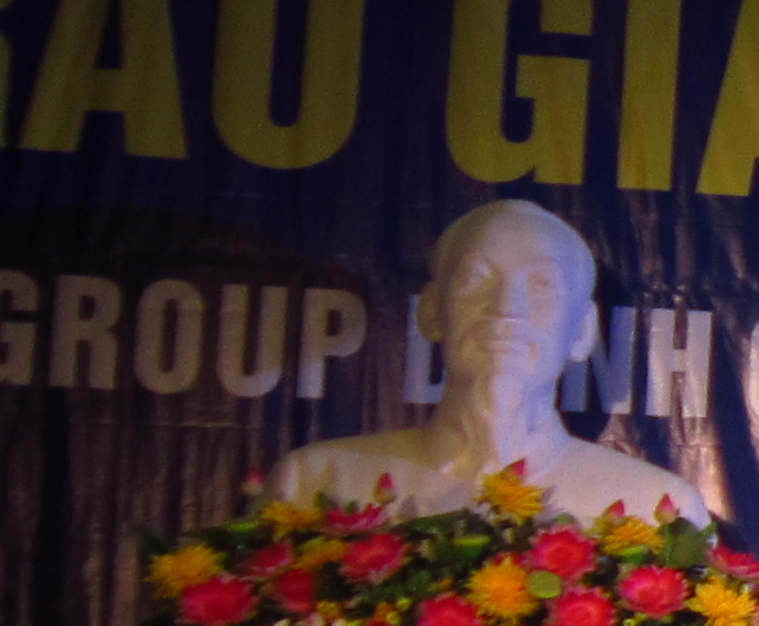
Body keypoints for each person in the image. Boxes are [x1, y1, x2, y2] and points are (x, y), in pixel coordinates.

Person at [269, 197, 706, 525]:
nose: (506, 308)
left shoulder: (658, 509)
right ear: (430, 312)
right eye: (476, 279)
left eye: (541, 285)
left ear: (582, 331)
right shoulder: (313, 484)